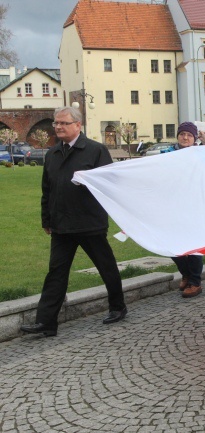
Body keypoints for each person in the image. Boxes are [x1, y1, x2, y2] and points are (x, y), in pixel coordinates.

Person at [20, 106, 127, 337]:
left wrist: (89, 184)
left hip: (89, 222)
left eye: (63, 123)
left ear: (78, 125)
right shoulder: (52, 153)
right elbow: (47, 189)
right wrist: (46, 219)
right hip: (61, 225)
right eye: (56, 123)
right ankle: (46, 322)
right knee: (56, 273)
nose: (58, 127)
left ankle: (118, 307)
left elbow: (111, 183)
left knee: (106, 266)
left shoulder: (96, 151)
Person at [166, 122, 205, 298]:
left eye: (189, 135)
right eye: (182, 134)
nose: (185, 138)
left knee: (194, 244)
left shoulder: (202, 155)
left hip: (195, 205)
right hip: (173, 205)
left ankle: (195, 282)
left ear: (194, 138)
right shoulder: (166, 155)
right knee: (173, 244)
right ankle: (186, 274)